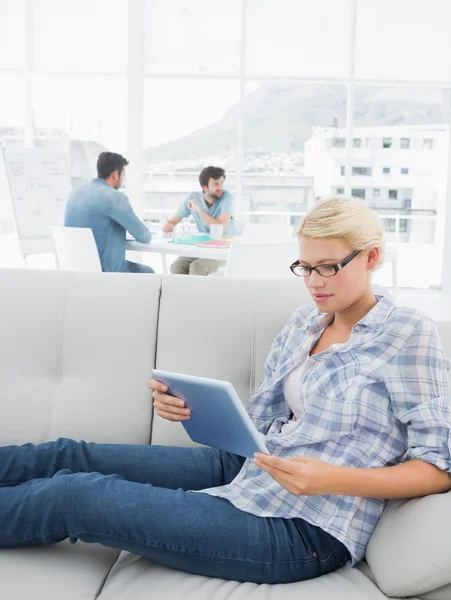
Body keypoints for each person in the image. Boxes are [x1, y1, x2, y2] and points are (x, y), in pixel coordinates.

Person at [1, 196, 450, 585]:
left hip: (306, 526)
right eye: (305, 267)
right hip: (250, 466)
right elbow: (257, 424)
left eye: (329, 267)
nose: (314, 282)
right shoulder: (304, 323)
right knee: (68, 454)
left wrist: (333, 479)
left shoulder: (410, 335)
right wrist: (192, 410)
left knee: (76, 496)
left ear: (371, 258)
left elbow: (438, 467)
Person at [64, 152, 154, 274]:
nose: (123, 179)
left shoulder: (75, 192)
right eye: (124, 174)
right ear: (116, 175)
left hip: (77, 269)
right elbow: (144, 236)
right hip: (107, 273)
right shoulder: (114, 198)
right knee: (148, 272)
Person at [164, 166, 234, 276]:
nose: (220, 187)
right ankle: (181, 294)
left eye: (221, 183)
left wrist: (199, 210)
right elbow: (173, 221)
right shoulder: (193, 197)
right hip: (203, 247)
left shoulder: (227, 197)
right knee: (176, 267)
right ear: (204, 187)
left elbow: (219, 227)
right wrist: (169, 225)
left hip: (224, 250)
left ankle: (194, 294)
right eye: (216, 184)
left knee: (197, 267)